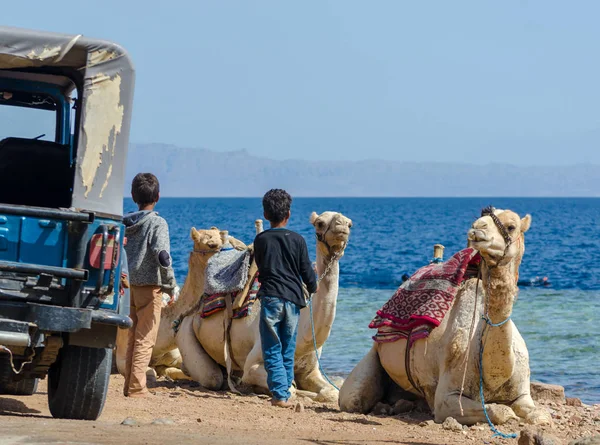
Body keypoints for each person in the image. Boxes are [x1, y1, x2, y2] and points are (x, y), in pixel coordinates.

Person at [253, 189, 318, 408]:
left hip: (271, 299)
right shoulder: (298, 240)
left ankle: (280, 394)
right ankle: (285, 391)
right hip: (292, 300)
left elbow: (262, 268)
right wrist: (313, 286)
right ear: (288, 214)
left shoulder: (261, 240)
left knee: (271, 347)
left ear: (265, 213)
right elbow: (306, 271)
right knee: (287, 348)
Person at [122, 173, 177, 397]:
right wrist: (171, 284)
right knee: (145, 338)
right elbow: (162, 255)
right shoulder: (157, 222)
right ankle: (137, 387)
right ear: (158, 196)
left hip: (129, 284)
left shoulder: (125, 222)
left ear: (134, 196)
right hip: (149, 286)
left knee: (132, 337)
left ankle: (129, 384)